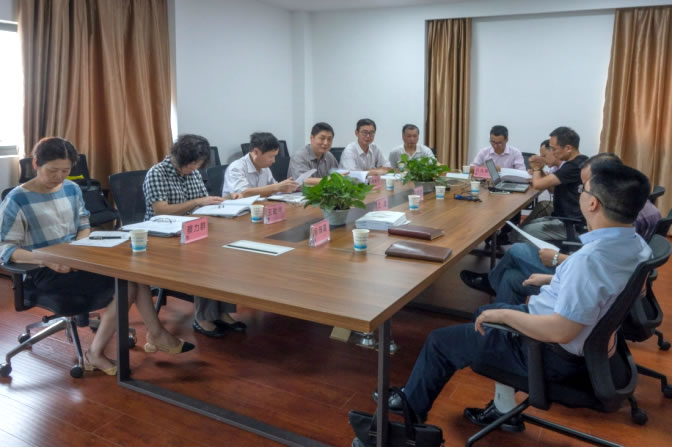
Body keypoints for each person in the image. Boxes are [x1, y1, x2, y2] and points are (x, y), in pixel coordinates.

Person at [376, 161, 652, 432]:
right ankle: (504, 407)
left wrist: (505, 315)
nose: (580, 193)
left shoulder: (590, 260)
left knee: (440, 341)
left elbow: (562, 331)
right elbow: (607, 288)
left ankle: (411, 408)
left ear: (593, 204)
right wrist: (555, 278)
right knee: (483, 314)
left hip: (550, 352)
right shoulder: (636, 245)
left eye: (584, 189)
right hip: (586, 345)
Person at [0, 137, 194, 375]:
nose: (59, 177)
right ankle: (99, 352)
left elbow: (83, 224)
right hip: (42, 270)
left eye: (65, 170)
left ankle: (154, 335)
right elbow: (5, 248)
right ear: (35, 164)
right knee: (127, 285)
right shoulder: (18, 199)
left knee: (133, 275)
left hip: (77, 260)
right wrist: (46, 259)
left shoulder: (71, 189)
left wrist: (81, 245)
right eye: (52, 171)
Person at [461, 152, 661, 305]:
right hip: (586, 281)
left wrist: (558, 259)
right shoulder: (633, 219)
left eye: (584, 188)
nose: (580, 193)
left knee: (517, 250)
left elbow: (595, 268)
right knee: (511, 277)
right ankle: (502, 333)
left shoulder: (617, 223)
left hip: (578, 291)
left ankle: (498, 314)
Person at [144, 134, 244, 338]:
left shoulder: (193, 173)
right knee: (204, 260)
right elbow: (160, 210)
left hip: (191, 231)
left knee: (224, 252)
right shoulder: (157, 173)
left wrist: (225, 199)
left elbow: (203, 202)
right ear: (181, 157)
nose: (195, 168)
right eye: (192, 164)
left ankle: (222, 312)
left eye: (198, 164)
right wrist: (197, 202)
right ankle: (203, 318)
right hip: (163, 237)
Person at [517, 126, 588, 242]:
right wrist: (540, 171)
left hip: (571, 224)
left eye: (554, 149)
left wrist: (536, 168)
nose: (553, 153)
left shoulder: (573, 167)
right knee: (524, 227)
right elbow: (553, 189)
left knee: (520, 233)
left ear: (568, 148)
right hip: (565, 217)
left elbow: (537, 185)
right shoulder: (581, 161)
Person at [223, 132, 298, 197]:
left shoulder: (264, 167)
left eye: (274, 156)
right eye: (270, 156)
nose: (273, 161)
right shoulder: (236, 168)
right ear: (256, 152)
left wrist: (289, 187)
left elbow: (275, 189)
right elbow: (242, 194)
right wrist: (277, 187)